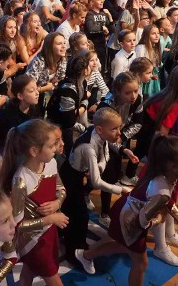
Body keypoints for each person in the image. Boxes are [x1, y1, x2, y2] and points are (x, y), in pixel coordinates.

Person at [76, 135, 178, 283]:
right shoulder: (163, 190)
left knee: (124, 247)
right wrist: (158, 220)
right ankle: (86, 254)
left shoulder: (162, 174)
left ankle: (86, 255)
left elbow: (165, 202)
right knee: (141, 263)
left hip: (126, 208)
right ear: (172, 165)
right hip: (130, 220)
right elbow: (142, 222)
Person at [60, 108, 137, 264]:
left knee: (75, 213)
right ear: (100, 129)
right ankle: (73, 251)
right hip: (71, 177)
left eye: (119, 128)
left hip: (80, 175)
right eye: (114, 129)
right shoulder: (88, 148)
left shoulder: (99, 134)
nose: (119, 133)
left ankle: (75, 243)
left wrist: (124, 150)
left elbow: (107, 150)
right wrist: (120, 189)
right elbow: (96, 182)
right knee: (78, 215)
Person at [0, 119, 68, 286]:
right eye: (52, 145)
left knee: (29, 271)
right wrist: (50, 219)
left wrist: (58, 203)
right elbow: (17, 225)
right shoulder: (21, 180)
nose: (56, 149)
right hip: (34, 240)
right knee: (53, 279)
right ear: (34, 150)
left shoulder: (50, 163)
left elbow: (61, 188)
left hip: (48, 231)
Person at [47, 53, 91, 156]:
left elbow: (84, 98)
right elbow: (68, 120)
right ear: (84, 70)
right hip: (59, 123)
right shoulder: (68, 90)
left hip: (70, 119)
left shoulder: (82, 82)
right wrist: (79, 111)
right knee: (69, 149)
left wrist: (79, 110)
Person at [0, 74, 41, 153]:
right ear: (20, 96)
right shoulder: (9, 116)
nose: (37, 93)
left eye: (37, 89)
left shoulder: (35, 108)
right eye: (32, 91)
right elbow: (7, 143)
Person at [85, 0, 114, 74]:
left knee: (102, 68)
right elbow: (91, 28)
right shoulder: (90, 14)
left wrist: (110, 17)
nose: (102, 1)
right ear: (92, 2)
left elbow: (113, 30)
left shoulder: (104, 14)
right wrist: (102, 28)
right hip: (93, 46)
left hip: (103, 45)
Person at [135, 25, 163, 95]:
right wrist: (150, 75)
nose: (157, 36)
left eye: (158, 33)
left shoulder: (155, 47)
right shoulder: (141, 48)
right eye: (153, 34)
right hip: (144, 78)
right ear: (147, 35)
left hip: (153, 77)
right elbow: (138, 66)